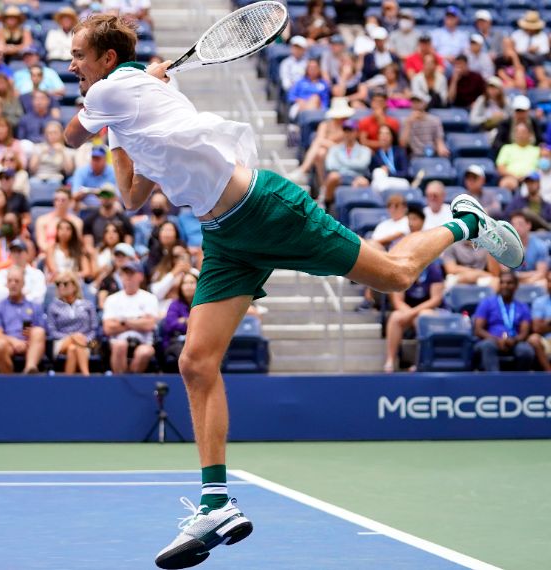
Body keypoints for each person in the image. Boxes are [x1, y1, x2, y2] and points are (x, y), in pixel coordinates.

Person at [62, 15, 525, 566]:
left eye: (79, 55)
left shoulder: (114, 90)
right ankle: (216, 503)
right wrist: (118, 133)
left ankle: (465, 222)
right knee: (196, 362)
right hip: (226, 238)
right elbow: (133, 196)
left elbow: (69, 135)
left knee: (396, 275)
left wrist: (125, 98)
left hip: (267, 210)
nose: (72, 65)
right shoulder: (128, 100)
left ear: (108, 59)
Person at [383, 209, 445, 372]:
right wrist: (410, 313)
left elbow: (436, 299)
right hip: (406, 309)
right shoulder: (400, 267)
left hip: (428, 309)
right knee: (395, 317)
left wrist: (414, 313)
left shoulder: (433, 267)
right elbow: (397, 301)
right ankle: (390, 361)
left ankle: (420, 363)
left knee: (423, 317)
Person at [102, 259, 157, 373]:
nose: (128, 276)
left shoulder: (149, 298)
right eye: (125, 273)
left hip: (143, 341)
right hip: (118, 340)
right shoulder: (112, 299)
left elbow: (149, 325)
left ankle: (131, 380)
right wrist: (138, 320)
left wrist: (122, 322)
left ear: (140, 276)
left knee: (144, 352)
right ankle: (120, 381)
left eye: (131, 273)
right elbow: (108, 328)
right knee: (120, 346)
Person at [473, 271, 535, 372]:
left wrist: (514, 340)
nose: (505, 286)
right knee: (488, 346)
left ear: (516, 286)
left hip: (514, 341)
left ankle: (519, 380)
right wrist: (497, 340)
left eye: (509, 283)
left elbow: (524, 333)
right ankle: (495, 379)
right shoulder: (487, 303)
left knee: (526, 351)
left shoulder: (522, 306)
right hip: (491, 340)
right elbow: (478, 330)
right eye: (502, 282)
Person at [0, 265, 46, 374]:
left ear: (23, 284)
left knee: (39, 332)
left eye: (17, 281)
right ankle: (10, 378)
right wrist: (14, 341)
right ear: (6, 284)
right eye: (10, 281)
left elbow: (41, 331)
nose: (13, 284)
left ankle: (30, 369)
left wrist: (28, 338)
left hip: (29, 344)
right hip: (9, 343)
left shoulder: (34, 306)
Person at [45, 270, 98, 376]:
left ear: (74, 286)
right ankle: (86, 375)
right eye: (58, 284)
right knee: (76, 338)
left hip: (89, 343)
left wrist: (84, 340)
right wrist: (71, 337)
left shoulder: (88, 305)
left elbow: (94, 329)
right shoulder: (53, 307)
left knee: (72, 349)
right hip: (61, 342)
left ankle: (68, 383)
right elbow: (52, 332)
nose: (61, 287)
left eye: (65, 283)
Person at [322, 119, 371, 205]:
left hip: (356, 177)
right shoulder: (334, 149)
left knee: (363, 182)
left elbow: (362, 165)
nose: (348, 133)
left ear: (356, 132)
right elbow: (330, 165)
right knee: (333, 176)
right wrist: (351, 164)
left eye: (350, 130)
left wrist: (342, 161)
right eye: (345, 130)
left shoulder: (365, 150)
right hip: (340, 177)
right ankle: (327, 204)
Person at [160, 271, 198, 363]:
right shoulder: (174, 304)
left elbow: (204, 326)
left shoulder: (202, 305)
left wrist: (183, 321)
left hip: (197, 341)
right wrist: (188, 322)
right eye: (185, 283)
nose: (188, 286)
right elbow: (170, 325)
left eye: (192, 283)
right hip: (175, 342)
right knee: (187, 355)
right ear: (181, 287)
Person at [0, 238, 47, 304]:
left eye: (19, 251)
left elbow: (38, 298)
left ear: (27, 254)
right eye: (13, 252)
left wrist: (18, 297)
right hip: (6, 309)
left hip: (29, 309)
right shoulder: (2, 273)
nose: (16, 255)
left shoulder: (37, 274)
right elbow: (1, 295)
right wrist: (24, 294)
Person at [400, 93, 449, 158]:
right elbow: (403, 144)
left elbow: (439, 141)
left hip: (432, 155)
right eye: (413, 102)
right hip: (415, 156)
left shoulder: (435, 120)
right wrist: (408, 124)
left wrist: (442, 149)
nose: (415, 104)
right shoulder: (406, 121)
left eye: (418, 102)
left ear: (425, 103)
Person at [509, 212, 549, 285]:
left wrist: (524, 280)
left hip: (532, 280)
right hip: (512, 282)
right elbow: (504, 272)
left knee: (543, 282)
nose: (516, 228)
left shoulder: (540, 245)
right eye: (513, 225)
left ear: (528, 225)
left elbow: (541, 273)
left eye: (520, 224)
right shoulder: (506, 246)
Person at [527, 274, 551, 371]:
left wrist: (548, 322)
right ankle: (549, 373)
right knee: (533, 339)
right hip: (547, 340)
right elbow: (537, 328)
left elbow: (543, 326)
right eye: (549, 281)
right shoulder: (539, 302)